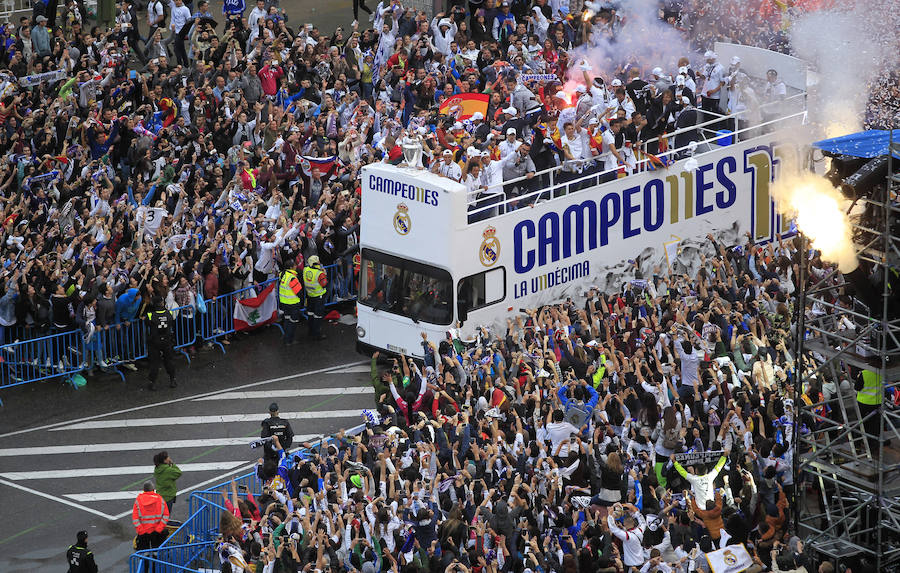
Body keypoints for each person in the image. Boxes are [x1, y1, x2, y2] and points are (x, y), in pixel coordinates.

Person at [146, 296, 177, 391]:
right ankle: (172, 380)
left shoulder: (150, 315)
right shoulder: (169, 313)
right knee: (169, 360)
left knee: (155, 363)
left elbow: (147, 323)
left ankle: (153, 383)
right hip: (167, 341)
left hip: (154, 341)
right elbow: (172, 322)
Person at [132, 482, 170, 550]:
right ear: (153, 489)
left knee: (143, 552)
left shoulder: (138, 500)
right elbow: (166, 516)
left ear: (143, 490)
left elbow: (135, 518)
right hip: (157, 532)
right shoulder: (160, 499)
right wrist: (158, 529)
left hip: (143, 532)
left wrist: (141, 531)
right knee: (157, 551)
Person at [302, 255, 328, 340]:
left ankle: (310, 331)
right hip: (318, 297)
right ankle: (317, 334)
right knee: (318, 316)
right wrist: (324, 273)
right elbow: (324, 283)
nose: (320, 262)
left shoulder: (305, 270)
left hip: (310, 296)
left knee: (310, 314)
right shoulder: (319, 273)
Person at [278, 263, 303, 345]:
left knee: (287, 320)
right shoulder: (292, 278)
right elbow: (298, 291)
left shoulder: (283, 274)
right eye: (295, 265)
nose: (296, 266)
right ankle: (289, 340)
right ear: (291, 267)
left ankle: (286, 337)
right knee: (293, 322)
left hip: (285, 303)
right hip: (293, 303)